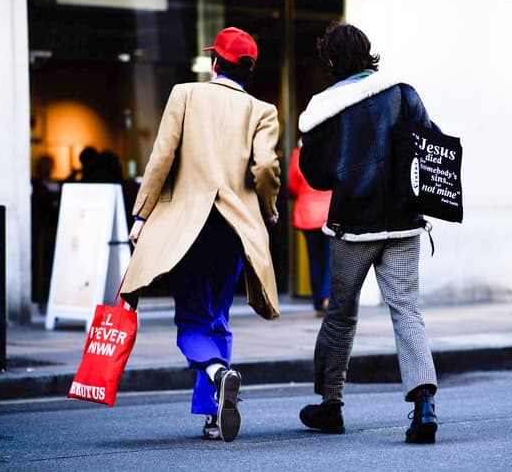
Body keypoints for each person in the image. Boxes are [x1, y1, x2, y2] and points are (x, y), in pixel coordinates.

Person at [119, 27, 281, 442]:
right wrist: (267, 209)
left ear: (214, 64)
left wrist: (141, 215)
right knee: (218, 317)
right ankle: (213, 416)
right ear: (248, 70)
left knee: (192, 319)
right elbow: (265, 168)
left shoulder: (185, 94)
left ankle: (217, 372)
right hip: (233, 228)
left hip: (187, 228)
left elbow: (161, 158)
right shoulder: (263, 111)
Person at [296, 22, 439, 444]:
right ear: (368, 53)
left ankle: (331, 405)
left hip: (353, 225)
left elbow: (316, 176)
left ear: (331, 61)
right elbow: (428, 142)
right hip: (404, 221)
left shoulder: (324, 109)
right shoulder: (403, 93)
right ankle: (424, 405)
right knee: (406, 310)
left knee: (340, 315)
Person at [288, 139, 332, 316]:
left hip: (307, 212)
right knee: (330, 258)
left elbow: (293, 184)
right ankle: (327, 297)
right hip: (329, 211)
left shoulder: (298, 154)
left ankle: (317, 304)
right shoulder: (330, 148)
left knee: (315, 260)